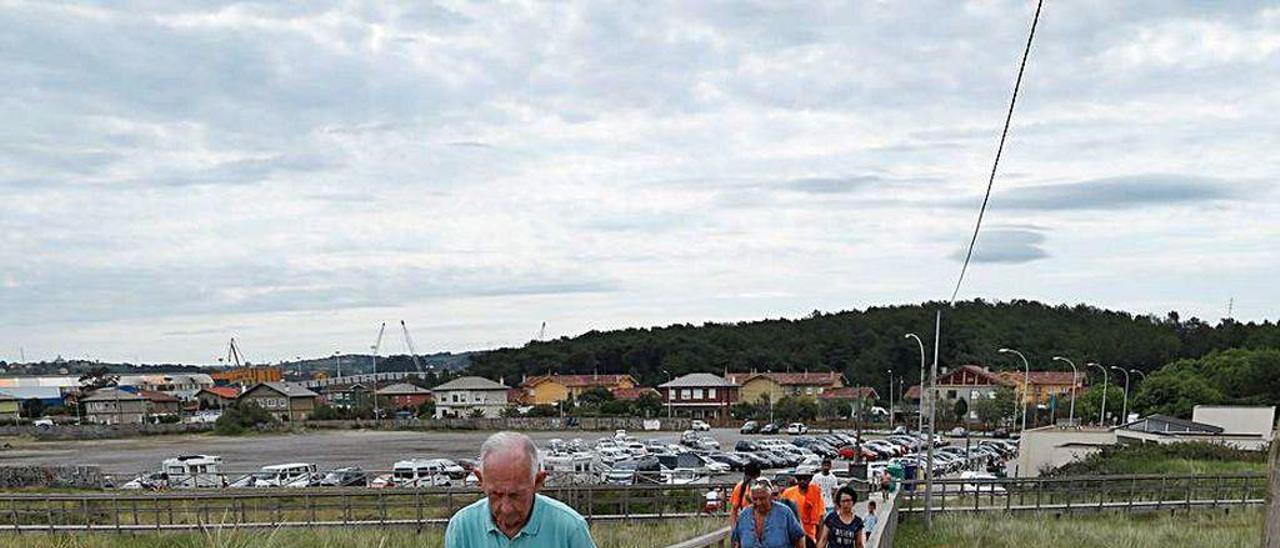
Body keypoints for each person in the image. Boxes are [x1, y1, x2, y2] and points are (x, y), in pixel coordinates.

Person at [444, 432, 596, 547]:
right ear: (480, 481)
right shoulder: (462, 527)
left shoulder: (569, 528)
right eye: (495, 494)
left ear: (538, 482)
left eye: (516, 495)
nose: (506, 508)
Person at [732, 479, 806, 548]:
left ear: (771, 497)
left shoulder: (784, 513)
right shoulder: (744, 515)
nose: (758, 502)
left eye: (762, 498)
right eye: (755, 499)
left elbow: (799, 539)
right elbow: (737, 542)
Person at [780, 466, 825, 548]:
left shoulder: (816, 492)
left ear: (810, 479)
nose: (802, 481)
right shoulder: (788, 493)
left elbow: (820, 518)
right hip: (792, 535)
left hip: (809, 535)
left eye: (805, 478)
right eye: (800, 478)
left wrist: (820, 541)